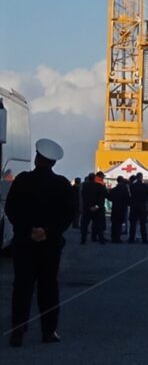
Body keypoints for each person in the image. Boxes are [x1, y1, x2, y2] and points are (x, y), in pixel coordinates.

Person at [5, 138, 76, 347]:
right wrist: (48, 231)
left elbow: (10, 209)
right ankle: (48, 331)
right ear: (54, 163)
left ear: (36, 158)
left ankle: (17, 332)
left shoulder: (22, 180)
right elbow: (68, 214)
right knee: (48, 287)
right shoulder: (62, 184)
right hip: (50, 244)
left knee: (22, 287)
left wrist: (29, 229)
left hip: (24, 242)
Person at [80, 172, 107, 244]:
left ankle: (83, 239)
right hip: (97, 208)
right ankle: (101, 239)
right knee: (99, 224)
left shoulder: (84, 186)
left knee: (85, 225)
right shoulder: (99, 186)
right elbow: (101, 198)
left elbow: (83, 197)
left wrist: (87, 206)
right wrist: (96, 206)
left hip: (87, 208)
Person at [128, 172, 148, 243]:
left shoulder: (132, 186)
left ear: (136, 177)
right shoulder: (145, 186)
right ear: (141, 177)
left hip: (134, 206)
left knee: (133, 224)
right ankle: (144, 239)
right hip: (142, 206)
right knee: (143, 224)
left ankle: (131, 238)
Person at [108, 176, 130, 243]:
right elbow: (127, 199)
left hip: (114, 208)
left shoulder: (113, 190)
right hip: (122, 208)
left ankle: (113, 237)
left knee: (114, 223)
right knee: (119, 224)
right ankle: (118, 238)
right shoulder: (125, 190)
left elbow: (109, 198)